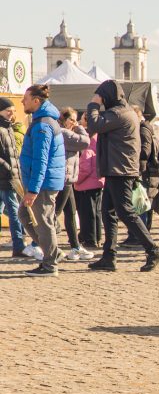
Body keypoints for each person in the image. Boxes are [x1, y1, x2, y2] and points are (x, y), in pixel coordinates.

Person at [85, 80, 159, 272]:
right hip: (118, 169)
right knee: (109, 212)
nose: (100, 100)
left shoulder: (118, 113)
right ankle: (108, 256)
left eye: (102, 96)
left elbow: (94, 124)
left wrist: (94, 103)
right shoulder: (123, 112)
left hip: (120, 170)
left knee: (126, 212)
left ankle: (154, 251)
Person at [17, 84, 66, 277]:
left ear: (36, 101)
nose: (22, 101)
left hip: (42, 184)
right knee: (25, 215)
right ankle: (53, 252)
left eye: (26, 98)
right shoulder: (41, 121)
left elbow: (41, 160)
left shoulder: (43, 125)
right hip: (41, 182)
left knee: (42, 222)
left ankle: (50, 264)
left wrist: (33, 190)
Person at [57, 107, 92, 261]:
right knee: (54, 214)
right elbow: (85, 142)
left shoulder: (68, 132)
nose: (74, 122)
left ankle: (75, 247)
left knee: (71, 213)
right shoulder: (63, 133)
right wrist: (80, 128)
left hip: (69, 178)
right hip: (63, 178)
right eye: (72, 119)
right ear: (64, 119)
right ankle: (37, 242)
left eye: (76, 119)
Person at [131, 104, 159, 233]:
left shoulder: (143, 129)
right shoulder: (145, 129)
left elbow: (145, 151)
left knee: (141, 204)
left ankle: (140, 234)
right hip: (148, 172)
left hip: (145, 172)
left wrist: (134, 158)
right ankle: (142, 234)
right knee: (143, 204)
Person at [0, 97, 26, 257]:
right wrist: (9, 168)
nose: (12, 113)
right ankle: (19, 245)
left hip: (12, 176)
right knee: (15, 212)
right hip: (6, 177)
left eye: (13, 111)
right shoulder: (2, 129)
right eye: (8, 110)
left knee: (12, 211)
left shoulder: (8, 128)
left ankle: (19, 244)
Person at [74, 116, 104, 250]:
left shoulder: (88, 148)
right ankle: (97, 237)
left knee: (87, 214)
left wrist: (76, 180)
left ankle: (90, 239)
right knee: (96, 213)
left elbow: (85, 169)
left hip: (87, 185)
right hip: (98, 183)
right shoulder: (100, 143)